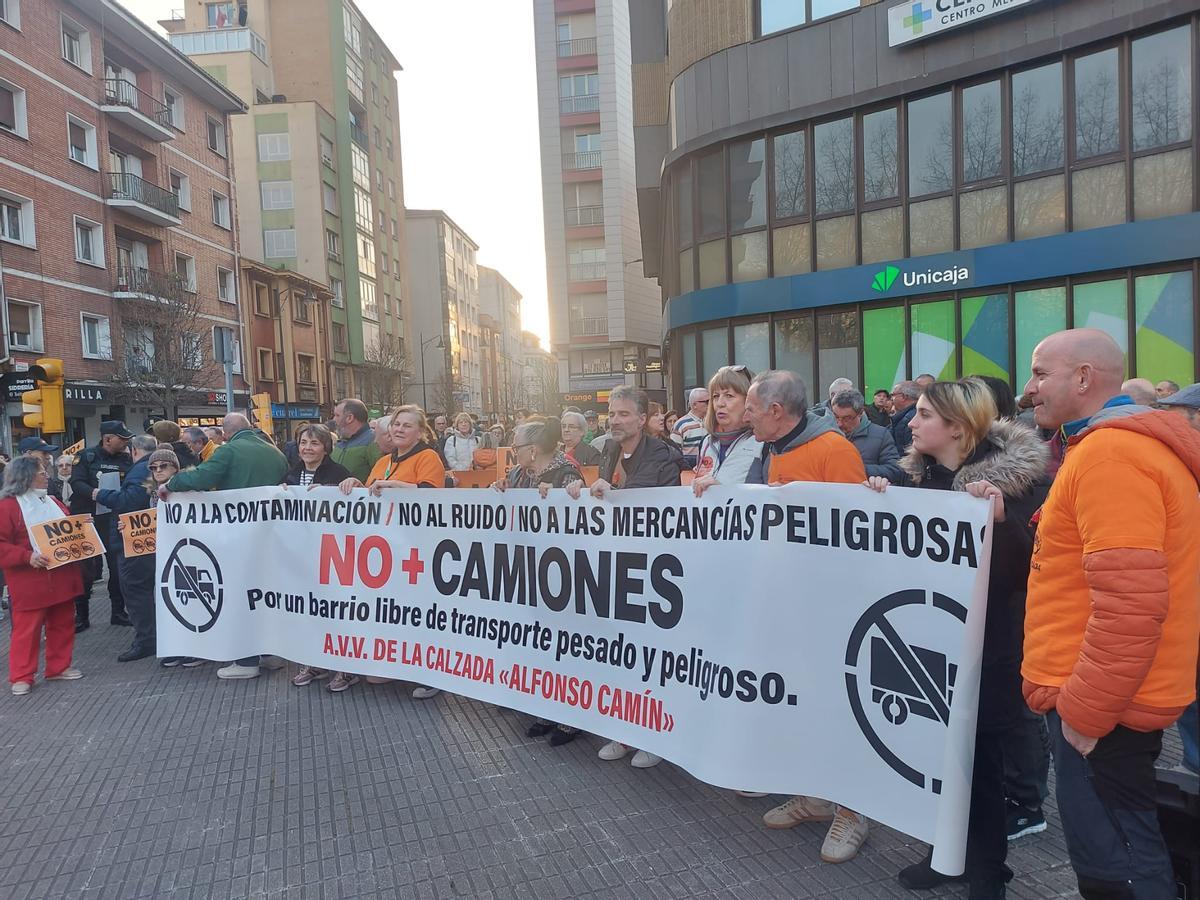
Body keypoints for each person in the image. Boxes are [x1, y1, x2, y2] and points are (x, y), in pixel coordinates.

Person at [1022, 328, 1200, 899]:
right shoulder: (1108, 449)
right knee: (1121, 846)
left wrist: (1085, 713)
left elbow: (1130, 603)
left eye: (1040, 373)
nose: (1029, 390)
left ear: (1083, 378)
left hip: (1103, 704)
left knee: (1118, 858)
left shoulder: (1112, 454)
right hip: (1109, 693)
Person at [866, 379, 1049, 899]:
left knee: (983, 761)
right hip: (930, 639)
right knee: (935, 755)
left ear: (957, 428)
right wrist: (882, 502)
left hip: (989, 646)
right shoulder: (918, 480)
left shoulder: (1020, 485)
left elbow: (1032, 568)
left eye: (923, 415)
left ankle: (989, 871)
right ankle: (945, 854)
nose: (911, 422)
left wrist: (1000, 522)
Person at [743, 370, 870, 864]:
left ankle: (853, 812)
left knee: (840, 708)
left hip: (832, 607)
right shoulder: (770, 449)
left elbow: (857, 530)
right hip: (790, 602)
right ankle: (817, 797)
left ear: (776, 411)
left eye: (753, 407)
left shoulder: (833, 451)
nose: (746, 415)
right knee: (803, 705)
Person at [567, 387, 680, 769]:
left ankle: (656, 738)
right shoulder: (609, 451)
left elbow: (657, 507)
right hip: (619, 564)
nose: (614, 420)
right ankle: (626, 729)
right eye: (611, 414)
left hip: (655, 568)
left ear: (644, 419)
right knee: (622, 652)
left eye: (623, 414)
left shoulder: (662, 456)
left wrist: (613, 492)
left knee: (652, 653)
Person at [165, 413, 289, 681]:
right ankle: (269, 653)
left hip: (237, 536)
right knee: (263, 592)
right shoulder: (275, 452)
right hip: (269, 534)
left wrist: (171, 484)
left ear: (226, 432)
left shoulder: (229, 451)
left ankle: (245, 660)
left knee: (238, 593)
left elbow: (200, 477)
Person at [340, 406, 445, 698]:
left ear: (421, 432)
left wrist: (393, 485)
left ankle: (431, 673)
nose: (399, 429)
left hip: (419, 546)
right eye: (396, 424)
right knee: (393, 609)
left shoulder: (428, 457)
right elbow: (372, 493)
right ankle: (395, 664)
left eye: (407, 426)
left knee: (422, 609)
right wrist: (356, 485)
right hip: (387, 548)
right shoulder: (385, 460)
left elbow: (430, 496)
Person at [0, 456, 84, 695]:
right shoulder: (7, 507)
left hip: (60, 574)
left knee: (63, 623)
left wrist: (82, 527)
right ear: (26, 476)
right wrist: (26, 556)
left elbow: (69, 529)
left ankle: (58, 667)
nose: (47, 475)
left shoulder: (53, 501)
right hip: (30, 579)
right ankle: (22, 675)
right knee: (27, 630)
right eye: (41, 472)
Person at [282, 424, 357, 691]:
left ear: (326, 447)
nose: (307, 448)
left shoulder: (339, 473)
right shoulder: (292, 475)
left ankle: (347, 667)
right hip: (305, 556)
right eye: (303, 442)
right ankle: (316, 661)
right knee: (313, 610)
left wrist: (342, 488)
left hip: (335, 555)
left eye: (314, 443)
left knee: (339, 609)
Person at [95, 435, 162, 663]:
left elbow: (129, 501)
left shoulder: (140, 470)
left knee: (135, 589)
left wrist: (101, 495)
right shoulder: (155, 467)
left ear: (134, 451)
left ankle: (146, 640)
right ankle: (152, 636)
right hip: (147, 538)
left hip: (136, 541)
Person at [69, 420, 134, 630]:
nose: (126, 442)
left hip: (112, 520)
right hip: (86, 518)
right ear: (108, 439)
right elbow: (76, 483)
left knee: (116, 567)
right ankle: (82, 615)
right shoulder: (86, 457)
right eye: (122, 438)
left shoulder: (126, 459)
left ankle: (118, 611)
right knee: (84, 569)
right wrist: (96, 494)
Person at [691, 365, 762, 491]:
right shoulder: (707, 442)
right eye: (715, 396)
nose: (720, 403)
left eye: (729, 396)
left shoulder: (763, 443)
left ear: (749, 401)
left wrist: (723, 492)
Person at [831, 389, 903, 483]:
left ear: (860, 413)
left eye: (847, 418)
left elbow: (895, 470)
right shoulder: (826, 433)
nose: (839, 423)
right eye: (836, 416)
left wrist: (858, 469)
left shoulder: (881, 435)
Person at [330, 398, 380, 483]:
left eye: (337, 415)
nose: (334, 419)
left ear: (349, 418)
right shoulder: (340, 443)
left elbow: (380, 479)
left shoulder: (374, 441)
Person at [671, 388, 710, 465]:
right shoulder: (680, 425)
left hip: (709, 470)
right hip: (688, 470)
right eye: (707, 402)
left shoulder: (713, 422)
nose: (710, 404)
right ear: (694, 405)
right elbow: (674, 453)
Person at [889, 381, 922, 450]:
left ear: (903, 397)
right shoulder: (912, 414)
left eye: (893, 395)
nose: (891, 399)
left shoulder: (908, 420)